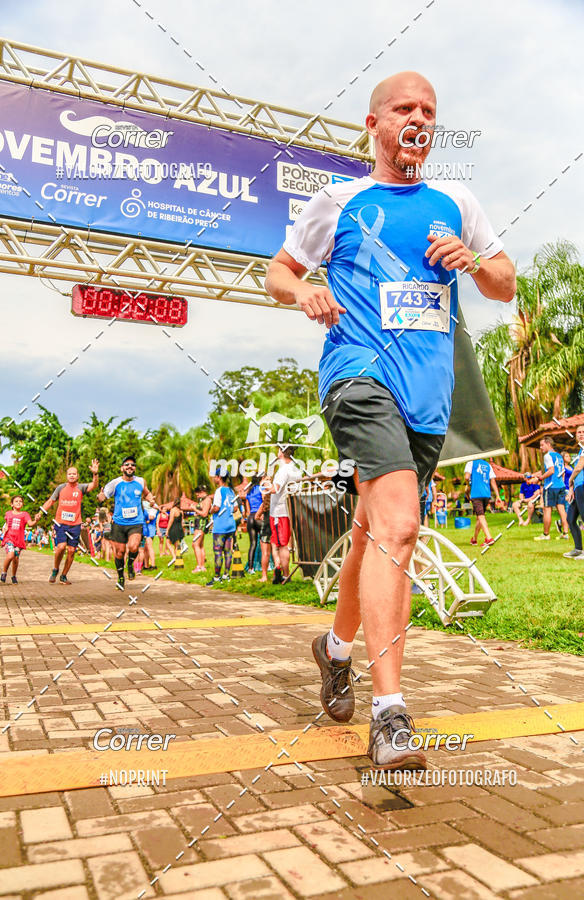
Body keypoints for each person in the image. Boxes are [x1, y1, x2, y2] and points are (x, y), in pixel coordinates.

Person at [265, 71, 515, 768]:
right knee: (401, 525)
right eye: (405, 107)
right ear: (373, 123)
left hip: (427, 400)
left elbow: (505, 282)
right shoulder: (339, 199)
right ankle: (391, 715)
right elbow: (279, 271)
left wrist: (473, 261)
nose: (419, 118)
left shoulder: (456, 202)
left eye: (429, 110)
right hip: (358, 376)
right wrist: (304, 292)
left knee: (375, 533)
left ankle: (334, 649)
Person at [97, 456, 159, 590]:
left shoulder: (141, 481)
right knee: (119, 553)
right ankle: (120, 577)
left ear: (135, 468)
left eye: (132, 465)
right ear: (122, 468)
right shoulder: (115, 483)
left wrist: (151, 500)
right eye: (127, 464)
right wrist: (100, 496)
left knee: (134, 547)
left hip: (136, 521)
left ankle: (130, 565)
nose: (130, 466)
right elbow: (103, 497)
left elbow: (147, 493)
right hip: (119, 523)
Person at [39, 459, 99, 584]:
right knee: (61, 547)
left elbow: (94, 485)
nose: (72, 475)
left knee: (71, 550)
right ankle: (55, 569)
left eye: (74, 474)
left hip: (75, 524)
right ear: (67, 476)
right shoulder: (61, 488)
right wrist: (40, 512)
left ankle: (63, 576)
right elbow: (50, 501)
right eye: (69, 474)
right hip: (61, 523)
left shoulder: (81, 488)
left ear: (77, 476)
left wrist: (95, 473)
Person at [267, 446, 302, 584]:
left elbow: (275, 489)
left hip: (279, 511)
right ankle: (279, 569)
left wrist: (266, 484)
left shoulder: (283, 470)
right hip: (290, 510)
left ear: (281, 453)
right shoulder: (296, 469)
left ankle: (285, 575)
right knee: (280, 542)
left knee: (281, 544)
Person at [534, 437, 569, 541]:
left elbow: (551, 470)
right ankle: (565, 533)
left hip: (550, 487)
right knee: (562, 510)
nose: (541, 448)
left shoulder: (547, 456)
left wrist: (540, 478)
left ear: (548, 444)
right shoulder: (559, 456)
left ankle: (546, 535)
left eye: (542, 445)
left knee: (547, 510)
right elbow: (562, 472)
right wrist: (562, 483)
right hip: (561, 486)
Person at [0, 496, 40, 583]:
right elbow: (7, 524)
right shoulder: (8, 513)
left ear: (22, 504)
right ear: (12, 504)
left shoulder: (25, 514)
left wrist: (36, 520)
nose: (18, 502)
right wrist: (4, 530)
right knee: (10, 555)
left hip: (19, 540)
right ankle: (4, 572)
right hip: (9, 539)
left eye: (20, 501)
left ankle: (13, 576)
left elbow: (30, 523)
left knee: (16, 558)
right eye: (16, 501)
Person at [207, 469, 237, 585]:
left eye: (215, 476)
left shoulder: (219, 490)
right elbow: (235, 508)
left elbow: (216, 507)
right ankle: (226, 575)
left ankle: (216, 577)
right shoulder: (231, 491)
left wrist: (210, 510)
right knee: (228, 551)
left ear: (219, 477)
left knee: (218, 551)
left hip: (220, 525)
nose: (214, 478)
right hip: (231, 525)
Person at [464, 459, 503, 546]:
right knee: (480, 517)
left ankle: (489, 538)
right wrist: (497, 495)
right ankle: (474, 539)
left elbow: (466, 477)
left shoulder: (471, 462)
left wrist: (468, 484)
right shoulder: (488, 465)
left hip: (476, 493)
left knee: (481, 516)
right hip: (486, 494)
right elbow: (492, 481)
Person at [182, 485, 212, 573]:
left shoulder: (207, 500)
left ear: (202, 492)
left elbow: (205, 513)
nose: (197, 496)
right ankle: (202, 566)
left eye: (198, 495)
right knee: (200, 545)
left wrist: (194, 509)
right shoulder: (203, 500)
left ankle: (199, 566)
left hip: (201, 524)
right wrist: (197, 513)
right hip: (199, 523)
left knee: (195, 544)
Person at [565, 425, 584, 559]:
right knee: (570, 518)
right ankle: (578, 549)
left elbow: (578, 469)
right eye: (579, 432)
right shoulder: (580, 451)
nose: (581, 434)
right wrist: (571, 488)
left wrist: (570, 480)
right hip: (578, 488)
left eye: (583, 432)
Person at [244, 475, 264, 572]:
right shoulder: (261, 489)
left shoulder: (249, 491)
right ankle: (266, 565)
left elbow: (247, 508)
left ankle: (251, 568)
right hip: (259, 516)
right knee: (264, 542)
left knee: (253, 544)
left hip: (251, 517)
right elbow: (264, 501)